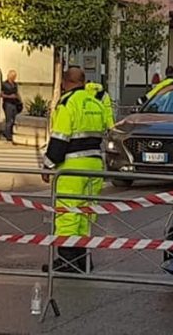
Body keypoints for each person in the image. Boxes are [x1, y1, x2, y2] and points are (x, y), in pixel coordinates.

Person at [42, 67, 110, 272]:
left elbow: (59, 139)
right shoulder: (95, 102)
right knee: (85, 214)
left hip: (72, 167)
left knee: (67, 214)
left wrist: (48, 165)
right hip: (95, 165)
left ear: (65, 82)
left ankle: (67, 261)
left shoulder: (68, 103)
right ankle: (83, 261)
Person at [0, 70, 21, 142]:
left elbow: (17, 93)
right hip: (8, 103)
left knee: (14, 119)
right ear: (9, 76)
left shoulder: (15, 84)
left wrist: (19, 100)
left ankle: (11, 133)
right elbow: (1, 94)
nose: (14, 77)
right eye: (13, 76)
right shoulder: (4, 84)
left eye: (15, 76)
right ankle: (8, 135)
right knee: (9, 120)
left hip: (15, 103)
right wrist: (9, 96)